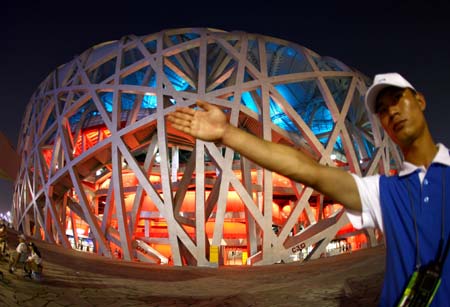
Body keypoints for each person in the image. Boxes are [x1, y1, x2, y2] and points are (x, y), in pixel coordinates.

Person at [168, 72, 449, 306]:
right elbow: (307, 170)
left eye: (398, 99)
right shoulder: (384, 192)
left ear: (420, 100)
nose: (393, 112)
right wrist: (227, 133)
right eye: (383, 111)